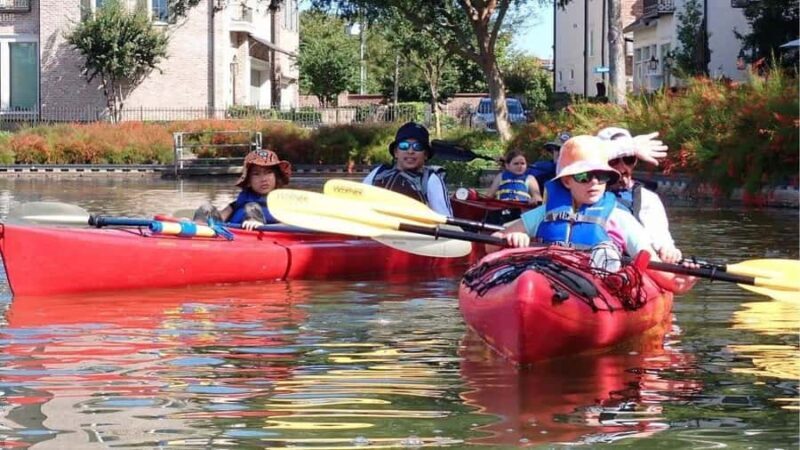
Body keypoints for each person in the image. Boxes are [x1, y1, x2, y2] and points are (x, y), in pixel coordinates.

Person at [492, 135, 695, 293]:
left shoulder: (619, 217)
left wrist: (681, 281)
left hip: (597, 286)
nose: (594, 183)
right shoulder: (545, 213)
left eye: (602, 176)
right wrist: (511, 238)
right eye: (584, 176)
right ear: (566, 181)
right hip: (546, 277)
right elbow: (491, 242)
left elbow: (648, 260)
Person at [597, 127, 682, 264]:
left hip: (632, 263)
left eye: (628, 159)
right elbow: (582, 155)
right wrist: (629, 147)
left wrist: (668, 250)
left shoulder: (648, 198)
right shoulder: (585, 190)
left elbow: (661, 237)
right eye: (614, 161)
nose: (622, 167)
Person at [363, 121, 452, 216]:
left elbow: (445, 219)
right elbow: (361, 203)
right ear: (396, 152)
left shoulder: (430, 179)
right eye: (404, 146)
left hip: (414, 230)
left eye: (417, 147)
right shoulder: (379, 172)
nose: (410, 151)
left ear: (425, 155)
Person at [193, 148, 291, 230]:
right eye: (256, 174)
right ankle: (197, 226)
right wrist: (208, 221)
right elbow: (221, 217)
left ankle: (254, 221)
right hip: (232, 233)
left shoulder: (282, 201)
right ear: (248, 180)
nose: (263, 179)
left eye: (268, 172)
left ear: (276, 176)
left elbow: (288, 224)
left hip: (261, 234)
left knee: (251, 206)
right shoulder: (243, 198)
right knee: (206, 208)